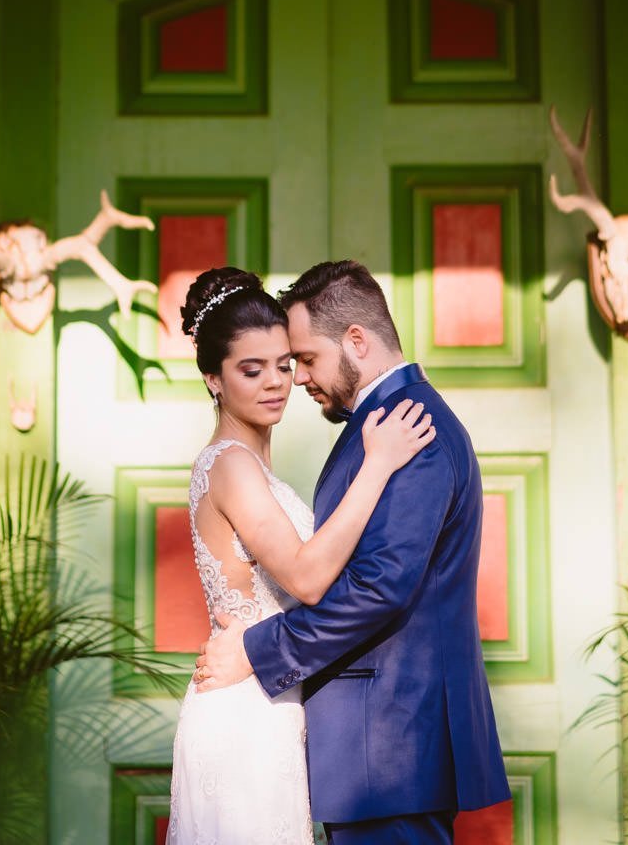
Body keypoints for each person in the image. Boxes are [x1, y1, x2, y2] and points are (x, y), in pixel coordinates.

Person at [195, 259, 511, 844]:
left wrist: (256, 650)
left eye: (303, 360)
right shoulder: (380, 424)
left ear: (357, 341)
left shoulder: (410, 426)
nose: (297, 379)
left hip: (390, 743)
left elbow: (378, 587)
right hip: (370, 748)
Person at [166, 266, 436, 845]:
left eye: (286, 365)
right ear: (214, 379)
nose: (276, 383)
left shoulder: (255, 468)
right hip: (245, 710)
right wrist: (379, 464)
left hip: (274, 696)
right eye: (251, 369)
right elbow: (308, 579)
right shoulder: (231, 465)